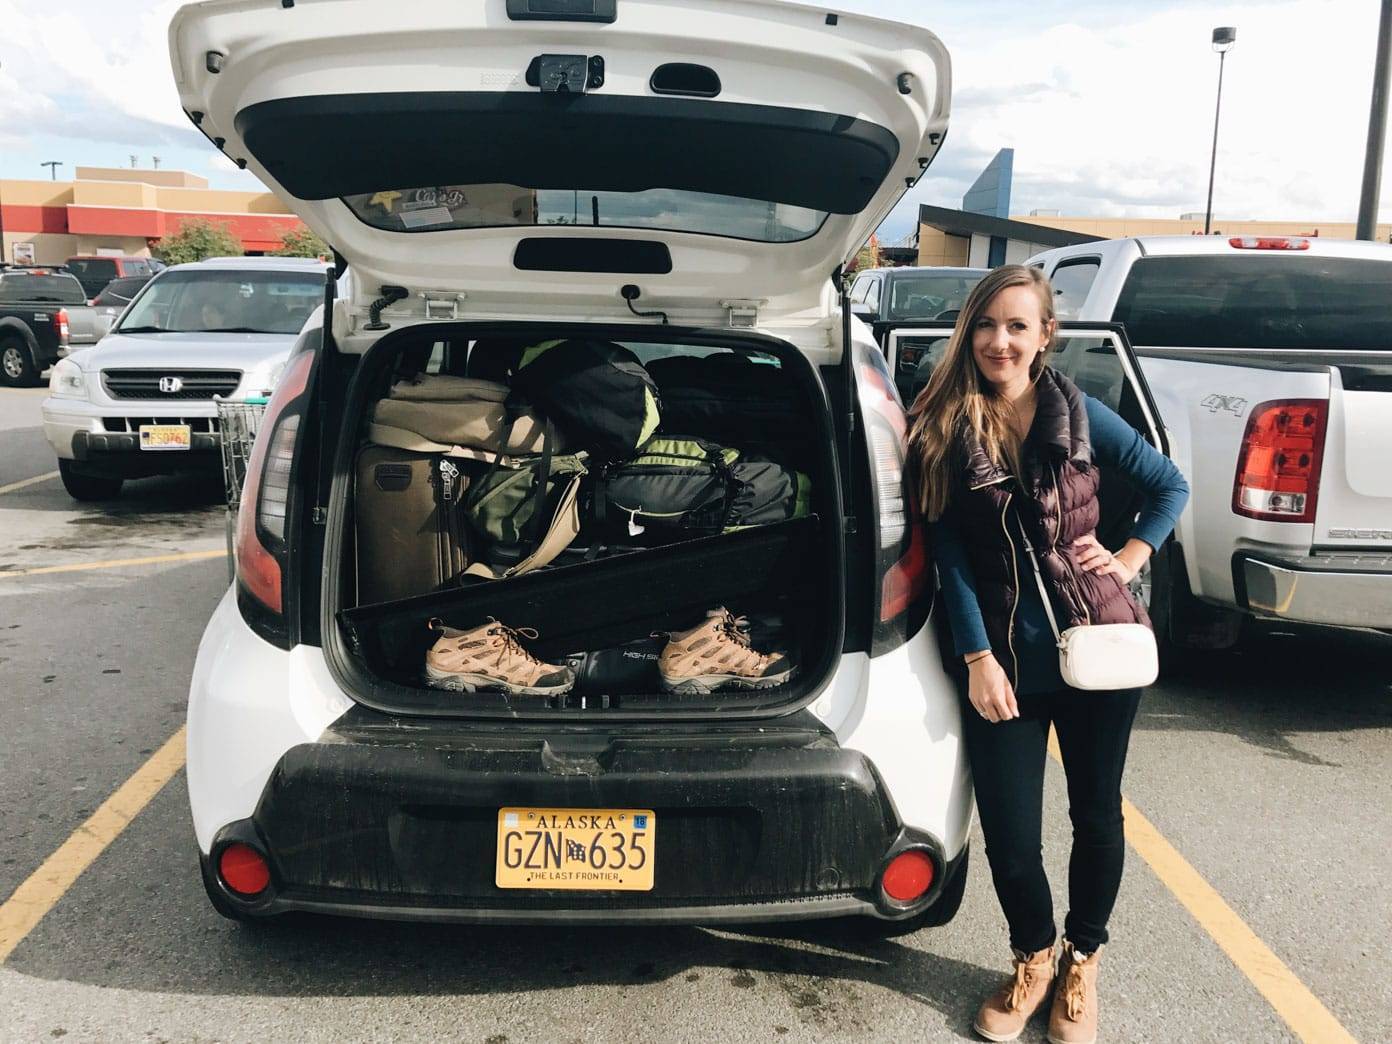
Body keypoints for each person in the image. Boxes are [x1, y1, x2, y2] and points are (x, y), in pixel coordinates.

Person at [905, 265, 1188, 1044]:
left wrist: (1129, 557)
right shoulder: (943, 427)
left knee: (1097, 813)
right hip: (1006, 661)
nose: (1000, 341)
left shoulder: (1086, 415)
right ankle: (1033, 957)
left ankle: (1082, 961)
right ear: (971, 332)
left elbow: (1169, 485)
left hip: (1099, 645)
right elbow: (949, 554)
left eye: (1017, 326)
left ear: (1045, 335)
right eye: (988, 325)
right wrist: (975, 656)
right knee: (1009, 835)